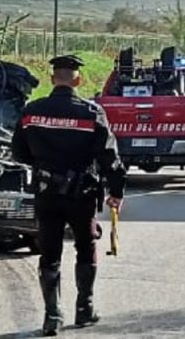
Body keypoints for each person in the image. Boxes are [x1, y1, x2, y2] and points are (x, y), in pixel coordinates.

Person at [11, 54, 127, 337]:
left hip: (46, 192)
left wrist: (43, 164)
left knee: (49, 253)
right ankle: (84, 308)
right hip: (82, 195)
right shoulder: (91, 113)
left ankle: (52, 317)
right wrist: (116, 191)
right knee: (86, 247)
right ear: (78, 79)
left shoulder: (31, 112)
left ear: (52, 79)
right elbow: (109, 157)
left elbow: (19, 152)